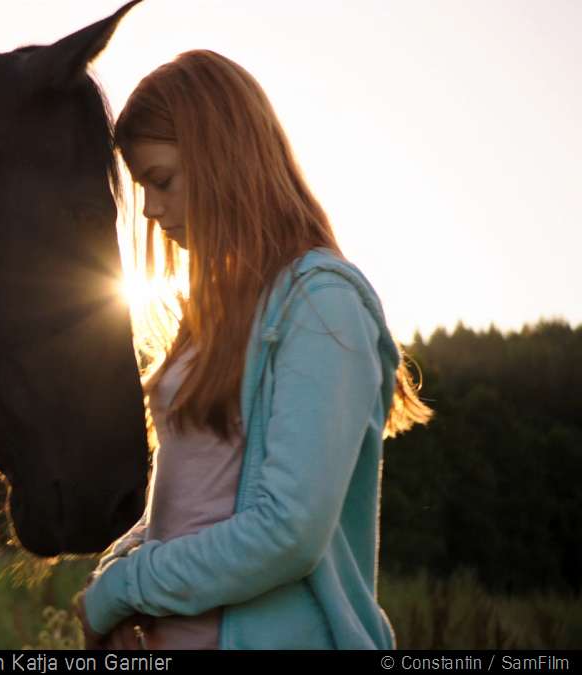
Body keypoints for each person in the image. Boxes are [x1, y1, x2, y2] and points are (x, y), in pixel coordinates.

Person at [76, 49, 433, 650]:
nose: (150, 209)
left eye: (161, 181)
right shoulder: (214, 313)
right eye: (142, 187)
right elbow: (198, 499)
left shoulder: (321, 305)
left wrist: (124, 589)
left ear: (221, 156)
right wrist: (119, 569)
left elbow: (287, 532)